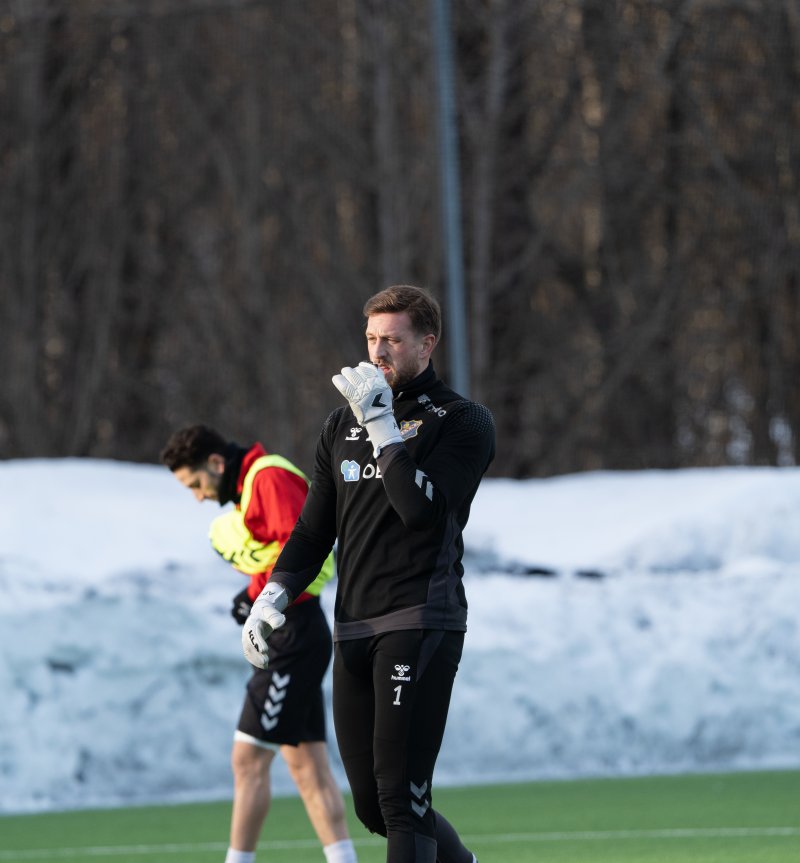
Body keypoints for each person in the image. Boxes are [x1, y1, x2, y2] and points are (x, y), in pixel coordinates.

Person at [241, 285, 496, 863]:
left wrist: (382, 424)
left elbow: (421, 512)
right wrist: (274, 595)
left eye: (393, 340)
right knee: (375, 808)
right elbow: (312, 529)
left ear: (427, 344)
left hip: (419, 620)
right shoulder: (340, 425)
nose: (378, 352)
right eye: (372, 339)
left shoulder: (462, 420)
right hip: (352, 627)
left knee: (402, 797)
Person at [160, 426, 358, 863]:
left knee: (248, 759)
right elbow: (279, 558)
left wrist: (259, 599)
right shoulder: (252, 486)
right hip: (291, 631)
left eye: (195, 485)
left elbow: (303, 550)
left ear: (215, 463)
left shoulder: (266, 477)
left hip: (293, 635)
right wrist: (251, 597)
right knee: (307, 768)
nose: (197, 497)